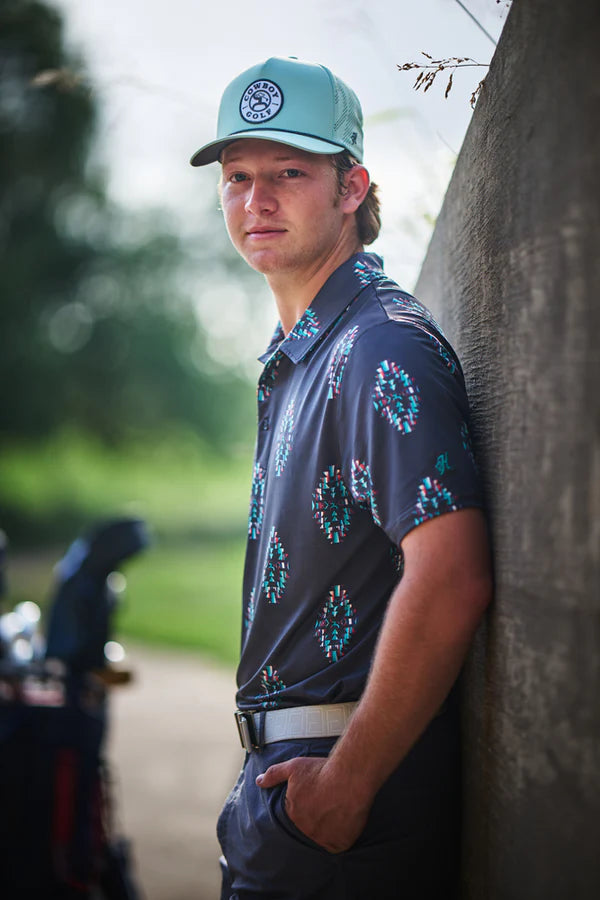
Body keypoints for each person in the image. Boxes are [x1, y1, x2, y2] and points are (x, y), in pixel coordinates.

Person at [190, 56, 492, 900]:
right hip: (293, 797)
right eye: (238, 177)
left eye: (290, 172)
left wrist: (346, 785)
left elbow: (454, 574)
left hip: (342, 811)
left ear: (353, 186)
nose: (258, 200)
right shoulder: (311, 354)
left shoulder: (377, 345)